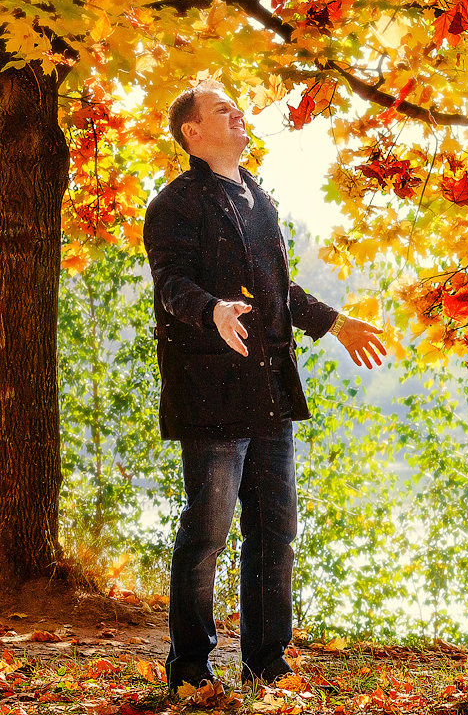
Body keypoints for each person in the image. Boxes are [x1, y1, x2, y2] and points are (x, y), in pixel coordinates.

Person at [143, 80, 387, 696]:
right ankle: (192, 669)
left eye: (238, 107)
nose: (239, 114)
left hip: (271, 392)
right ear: (192, 133)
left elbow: (279, 294)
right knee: (208, 532)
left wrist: (334, 322)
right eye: (223, 109)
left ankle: (266, 665)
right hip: (210, 394)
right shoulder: (174, 203)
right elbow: (170, 282)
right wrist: (212, 311)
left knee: (275, 530)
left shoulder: (262, 203)